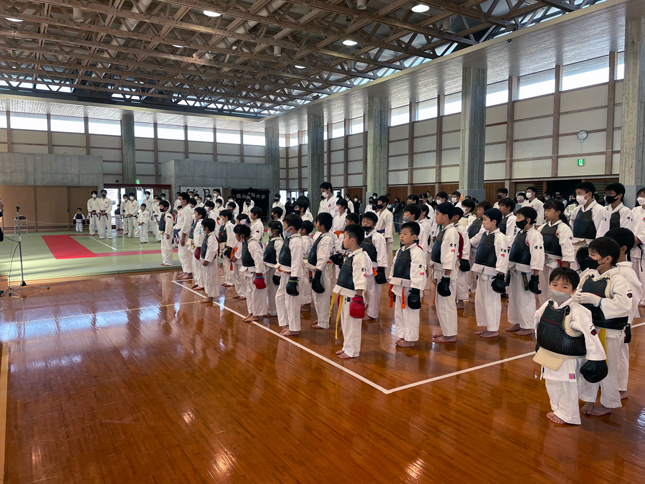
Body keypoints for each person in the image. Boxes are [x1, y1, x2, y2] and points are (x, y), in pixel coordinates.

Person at [533, 267, 607, 425]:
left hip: (569, 358)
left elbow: (591, 336)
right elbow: (538, 323)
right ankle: (557, 409)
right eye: (554, 284)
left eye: (564, 286)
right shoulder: (547, 305)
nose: (558, 289)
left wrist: (597, 359)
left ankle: (569, 415)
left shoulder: (578, 311)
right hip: (549, 355)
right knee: (552, 383)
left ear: (573, 291)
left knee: (568, 387)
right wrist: (539, 344)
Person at [576, 237, 632, 416]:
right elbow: (577, 293)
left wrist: (598, 301)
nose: (589, 257)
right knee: (589, 364)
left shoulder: (618, 279)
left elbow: (625, 305)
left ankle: (608, 402)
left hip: (609, 331)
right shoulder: (588, 275)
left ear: (607, 259)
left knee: (607, 367)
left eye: (593, 254)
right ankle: (589, 398)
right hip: (590, 328)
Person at [604, 228, 642, 400]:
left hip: (620, 322)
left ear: (623, 249)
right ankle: (609, 384)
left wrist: (626, 322)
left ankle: (620, 388)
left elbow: (632, 301)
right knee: (609, 355)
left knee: (619, 355)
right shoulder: (610, 269)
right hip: (607, 320)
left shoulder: (626, 273)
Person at [470, 208, 508, 338]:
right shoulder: (485, 235)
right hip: (482, 270)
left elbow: (502, 256)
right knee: (481, 300)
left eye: (485, 219)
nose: (483, 222)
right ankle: (487, 326)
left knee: (491, 301)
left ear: (494, 221)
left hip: (492, 273)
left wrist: (500, 275)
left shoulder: (500, 237)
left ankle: (493, 329)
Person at [331, 224, 368, 358]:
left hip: (353, 296)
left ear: (352, 240)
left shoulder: (360, 257)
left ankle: (352, 351)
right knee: (346, 323)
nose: (343, 240)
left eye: (345, 237)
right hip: (345, 294)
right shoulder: (351, 255)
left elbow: (360, 278)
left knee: (352, 325)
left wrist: (358, 297)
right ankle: (346, 346)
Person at [506, 207, 544, 336]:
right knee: (514, 298)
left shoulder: (535, 235)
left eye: (519, 217)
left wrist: (535, 277)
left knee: (525, 298)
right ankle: (517, 322)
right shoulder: (520, 233)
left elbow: (537, 256)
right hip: (515, 269)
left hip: (526, 272)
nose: (516, 220)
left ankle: (527, 326)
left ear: (528, 220)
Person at [390, 222, 425, 348]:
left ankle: (410, 339)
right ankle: (402, 335)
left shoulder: (417, 252)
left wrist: (415, 290)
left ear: (414, 237)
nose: (401, 236)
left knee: (410, 314)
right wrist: (391, 283)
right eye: (401, 233)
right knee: (399, 313)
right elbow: (394, 267)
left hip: (410, 287)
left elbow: (419, 272)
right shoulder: (400, 250)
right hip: (399, 285)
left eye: (405, 234)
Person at [430, 202, 460, 343]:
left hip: (446, 273)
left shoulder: (452, 233)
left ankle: (450, 335)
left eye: (437, 214)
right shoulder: (443, 230)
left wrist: (446, 277)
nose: (435, 217)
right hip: (439, 271)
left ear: (446, 216)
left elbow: (450, 256)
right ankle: (446, 330)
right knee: (441, 304)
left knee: (447, 304)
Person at [537, 200, 574, 306]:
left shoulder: (563, 228)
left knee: (554, 291)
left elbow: (567, 251)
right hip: (542, 263)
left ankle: (555, 311)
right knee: (542, 291)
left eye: (549, 210)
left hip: (555, 264)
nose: (546, 213)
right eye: (545, 210)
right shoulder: (542, 227)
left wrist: (563, 271)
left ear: (558, 212)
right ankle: (544, 310)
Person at [276, 214, 304, 337]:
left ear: (291, 228)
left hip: (292, 276)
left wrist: (293, 279)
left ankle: (294, 328)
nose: (283, 228)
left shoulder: (297, 242)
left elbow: (297, 262)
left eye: (284, 225)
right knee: (280, 298)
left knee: (292, 303)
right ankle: (286, 323)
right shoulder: (289, 239)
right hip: (284, 273)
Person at [236, 221, 268, 322]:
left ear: (242, 235)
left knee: (256, 294)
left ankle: (257, 314)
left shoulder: (253, 243)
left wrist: (259, 275)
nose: (235, 237)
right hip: (249, 271)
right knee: (249, 293)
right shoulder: (246, 242)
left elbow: (258, 260)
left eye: (236, 235)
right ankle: (252, 311)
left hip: (256, 273)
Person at [308, 213, 335, 330]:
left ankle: (323, 322)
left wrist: (318, 272)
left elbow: (323, 257)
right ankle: (321, 318)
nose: (315, 224)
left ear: (322, 226)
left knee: (322, 296)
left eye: (317, 222)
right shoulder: (322, 236)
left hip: (323, 269)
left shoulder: (326, 239)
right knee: (317, 295)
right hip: (319, 268)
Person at [360, 212, 388, 322]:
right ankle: (364, 304)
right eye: (363, 221)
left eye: (368, 222)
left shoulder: (378, 237)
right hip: (362, 267)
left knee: (373, 291)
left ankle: (372, 313)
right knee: (360, 288)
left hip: (374, 268)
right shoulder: (361, 235)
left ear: (374, 224)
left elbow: (382, 254)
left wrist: (381, 270)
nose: (365, 224)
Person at [569, 181, 604, 258]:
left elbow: (601, 232)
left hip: (590, 246)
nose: (578, 196)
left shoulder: (600, 210)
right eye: (577, 194)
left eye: (580, 193)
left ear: (589, 194)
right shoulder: (576, 210)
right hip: (575, 244)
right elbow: (571, 227)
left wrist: (596, 249)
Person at [466, 201, 490, 295]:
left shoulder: (486, 222)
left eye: (480, 209)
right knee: (470, 273)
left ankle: (477, 291)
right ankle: (472, 289)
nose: (478, 211)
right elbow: (467, 230)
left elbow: (480, 235)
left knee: (476, 272)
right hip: (470, 249)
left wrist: (470, 242)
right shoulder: (475, 220)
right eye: (478, 209)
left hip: (477, 250)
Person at [451, 208, 471, 310]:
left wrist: (464, 258)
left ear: (456, 217)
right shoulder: (447, 228)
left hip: (459, 258)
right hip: (450, 258)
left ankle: (461, 301)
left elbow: (466, 245)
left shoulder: (462, 229)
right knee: (452, 280)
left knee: (460, 280)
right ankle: (453, 299)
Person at [263, 221, 284, 318]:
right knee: (269, 291)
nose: (268, 230)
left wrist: (277, 273)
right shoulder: (271, 241)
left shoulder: (279, 243)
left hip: (273, 269)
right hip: (268, 268)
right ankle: (272, 309)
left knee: (273, 291)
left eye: (269, 229)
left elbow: (280, 259)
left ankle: (275, 311)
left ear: (274, 231)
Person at [200, 218, 220, 304]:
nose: (202, 228)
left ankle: (210, 296)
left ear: (206, 228)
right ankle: (209, 294)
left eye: (202, 227)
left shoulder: (212, 237)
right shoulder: (207, 236)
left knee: (210, 278)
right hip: (206, 261)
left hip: (210, 262)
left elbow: (211, 250)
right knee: (207, 278)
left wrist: (207, 260)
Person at [173, 192, 193, 280]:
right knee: (181, 254)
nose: (178, 201)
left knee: (186, 253)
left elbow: (187, 224)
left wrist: (183, 237)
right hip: (179, 233)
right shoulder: (182, 210)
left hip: (185, 234)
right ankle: (185, 271)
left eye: (179, 199)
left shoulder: (188, 210)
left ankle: (189, 272)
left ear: (184, 200)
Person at [631, 187, 645, 306]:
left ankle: (643, 298)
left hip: (642, 246)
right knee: (633, 275)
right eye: (639, 195)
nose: (641, 198)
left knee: (643, 275)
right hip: (632, 247)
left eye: (643, 196)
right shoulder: (635, 210)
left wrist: (638, 239)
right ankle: (635, 297)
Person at [375, 195, 394, 270]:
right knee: (378, 255)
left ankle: (388, 273)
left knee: (387, 256)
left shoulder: (388, 213)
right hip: (377, 236)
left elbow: (389, 227)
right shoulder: (377, 213)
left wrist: (386, 238)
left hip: (385, 237)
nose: (378, 203)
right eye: (378, 202)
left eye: (379, 202)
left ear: (384, 203)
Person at [299, 220, 314, 313]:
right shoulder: (311, 239)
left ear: (303, 230)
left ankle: (307, 304)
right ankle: (306, 302)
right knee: (306, 284)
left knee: (306, 284)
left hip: (305, 265)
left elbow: (303, 254)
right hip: (308, 265)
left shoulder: (304, 241)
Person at [191, 207, 207, 290]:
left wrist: (199, 247)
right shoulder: (196, 223)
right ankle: (197, 281)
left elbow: (201, 236)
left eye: (195, 213)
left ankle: (201, 284)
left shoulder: (201, 224)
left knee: (199, 266)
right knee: (195, 266)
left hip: (199, 247)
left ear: (200, 215)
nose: (194, 215)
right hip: (195, 246)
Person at [219, 209, 235, 287]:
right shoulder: (223, 226)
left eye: (222, 217)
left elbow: (231, 236)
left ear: (226, 217)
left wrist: (230, 248)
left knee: (229, 265)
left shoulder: (229, 225)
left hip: (228, 247)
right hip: (223, 247)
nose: (221, 218)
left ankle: (231, 281)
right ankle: (227, 280)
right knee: (225, 265)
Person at [158, 200, 174, 266]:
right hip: (163, 233)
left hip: (167, 233)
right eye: (160, 206)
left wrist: (168, 234)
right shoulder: (163, 214)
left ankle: (168, 262)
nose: (160, 207)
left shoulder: (168, 215)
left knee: (168, 248)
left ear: (166, 207)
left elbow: (169, 225)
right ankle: (165, 261)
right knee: (163, 248)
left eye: (161, 206)